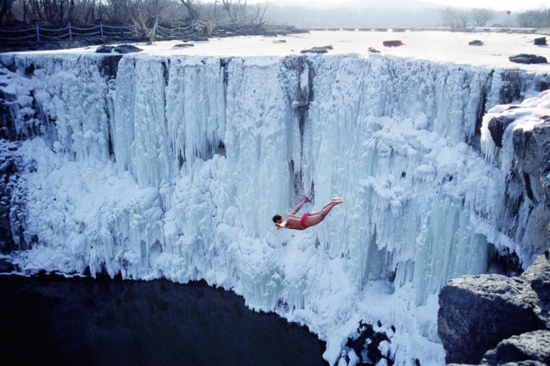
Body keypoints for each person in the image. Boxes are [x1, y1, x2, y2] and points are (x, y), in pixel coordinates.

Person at [273, 195, 343, 230]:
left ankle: (333, 203)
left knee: (321, 216)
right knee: (321, 212)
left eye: (277, 222)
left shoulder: (285, 220)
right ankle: (332, 201)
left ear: (278, 221)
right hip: (305, 217)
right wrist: (303, 201)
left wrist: (281, 225)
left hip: (304, 222)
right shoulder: (287, 215)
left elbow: (284, 223)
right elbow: (296, 210)